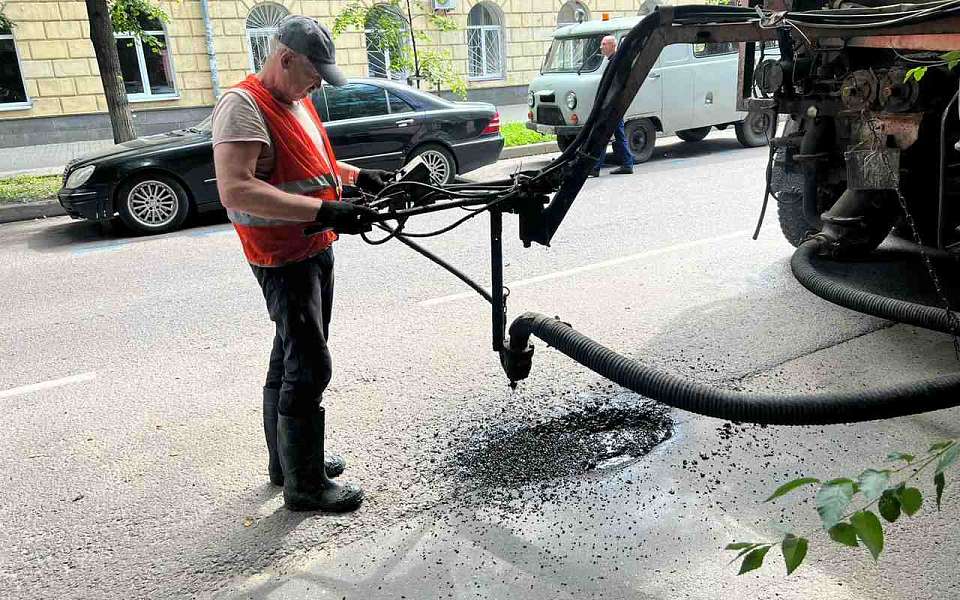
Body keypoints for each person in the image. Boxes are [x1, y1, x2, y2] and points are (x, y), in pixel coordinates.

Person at [211, 15, 390, 513]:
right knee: (309, 365)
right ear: (284, 58)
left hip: (312, 247)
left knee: (289, 356)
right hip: (283, 256)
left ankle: (287, 464)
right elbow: (236, 189)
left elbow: (312, 167)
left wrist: (357, 178)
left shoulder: (296, 100)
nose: (318, 85)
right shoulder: (243, 106)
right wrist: (323, 211)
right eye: (314, 74)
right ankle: (305, 486)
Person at [590, 35, 635, 177]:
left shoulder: (616, 61)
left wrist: (606, 105)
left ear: (612, 46)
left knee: (603, 134)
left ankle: (596, 167)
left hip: (612, 107)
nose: (601, 47)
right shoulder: (614, 60)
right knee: (617, 135)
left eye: (604, 44)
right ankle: (627, 164)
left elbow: (614, 87)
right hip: (615, 106)